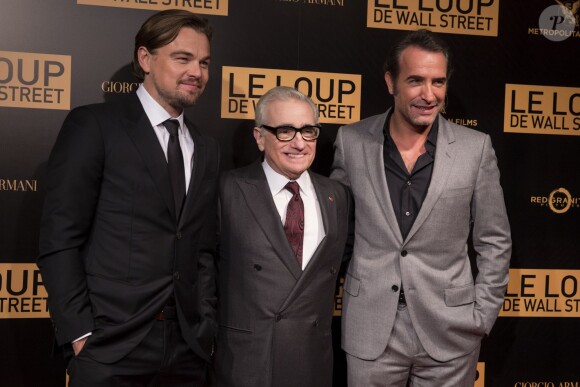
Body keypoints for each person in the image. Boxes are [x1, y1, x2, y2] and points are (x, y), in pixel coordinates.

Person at [37, 9, 219, 386]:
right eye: (182, 58)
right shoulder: (95, 126)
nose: (196, 72)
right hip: (110, 347)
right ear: (145, 58)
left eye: (203, 62)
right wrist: (80, 334)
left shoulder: (206, 147)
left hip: (187, 349)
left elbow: (201, 247)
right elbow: (60, 238)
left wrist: (204, 324)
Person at [331, 29, 511, 386]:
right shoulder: (351, 142)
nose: (429, 95)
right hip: (371, 329)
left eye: (438, 82)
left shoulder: (475, 149)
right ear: (390, 82)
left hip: (451, 334)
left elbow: (495, 240)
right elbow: (337, 232)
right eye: (415, 80)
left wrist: (481, 318)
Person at [213, 86, 352, 387]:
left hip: (312, 362)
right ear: (260, 137)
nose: (299, 143)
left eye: (308, 131)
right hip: (247, 362)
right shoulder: (228, 189)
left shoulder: (337, 196)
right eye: (285, 131)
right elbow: (201, 273)